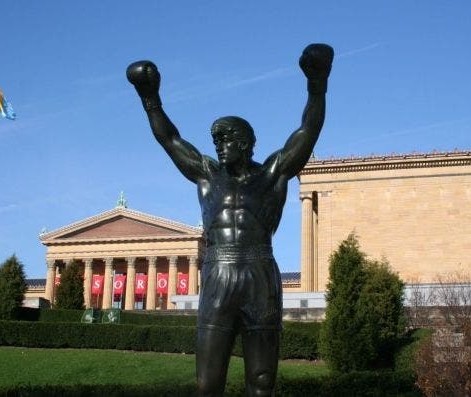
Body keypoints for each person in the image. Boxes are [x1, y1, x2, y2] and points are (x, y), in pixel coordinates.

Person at [126, 43, 333, 397]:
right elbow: (170, 138)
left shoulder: (273, 173)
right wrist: (150, 97)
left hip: (259, 275)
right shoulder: (207, 174)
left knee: (262, 383)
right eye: (216, 140)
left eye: (227, 139)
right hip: (218, 273)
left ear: (248, 142)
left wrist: (317, 83)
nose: (220, 145)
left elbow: (307, 131)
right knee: (208, 384)